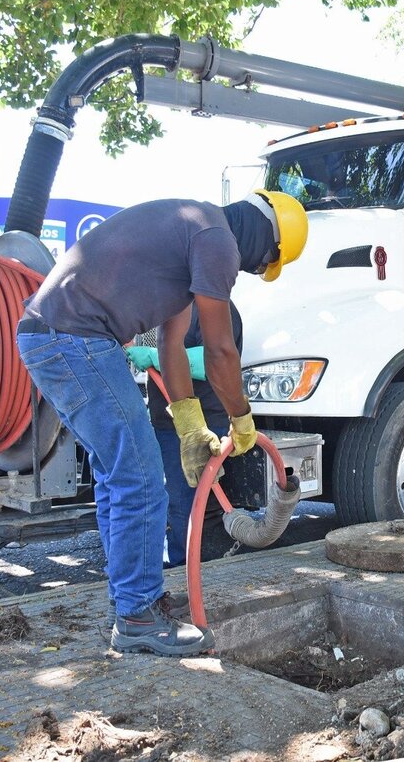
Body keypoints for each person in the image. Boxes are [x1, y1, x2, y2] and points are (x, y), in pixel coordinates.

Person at [16, 192, 307, 656]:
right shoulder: (216, 239)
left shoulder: (191, 233)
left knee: (120, 476)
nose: (253, 270)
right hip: (73, 337)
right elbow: (220, 351)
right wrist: (241, 419)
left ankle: (134, 600)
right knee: (142, 476)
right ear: (265, 238)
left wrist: (190, 423)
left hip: (55, 336)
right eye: (266, 261)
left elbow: (174, 349)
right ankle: (136, 617)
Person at [126, 302, 246, 568]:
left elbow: (212, 361)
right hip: (165, 422)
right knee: (171, 500)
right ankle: (180, 562)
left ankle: (185, 569)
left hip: (201, 422)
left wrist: (157, 357)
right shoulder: (168, 307)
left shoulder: (214, 307)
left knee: (185, 503)